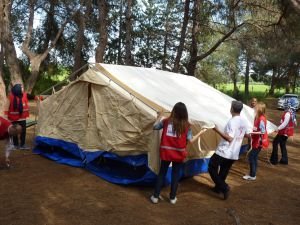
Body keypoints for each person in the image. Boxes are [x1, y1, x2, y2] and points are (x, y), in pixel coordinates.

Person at [150, 102, 205, 204]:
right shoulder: (187, 125)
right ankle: (172, 198)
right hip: (179, 154)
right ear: (185, 113)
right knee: (175, 175)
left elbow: (155, 127)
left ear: (174, 110)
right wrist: (201, 132)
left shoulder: (166, 121)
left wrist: (159, 117)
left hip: (166, 152)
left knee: (162, 173)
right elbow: (191, 140)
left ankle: (155, 197)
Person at [208, 101, 250, 200]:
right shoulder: (244, 121)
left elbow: (229, 138)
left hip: (224, 151)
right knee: (223, 171)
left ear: (231, 109)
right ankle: (218, 188)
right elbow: (246, 134)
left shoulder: (232, 121)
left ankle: (224, 187)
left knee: (211, 167)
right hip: (234, 152)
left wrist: (216, 129)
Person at [243, 102, 269, 181]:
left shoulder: (261, 119)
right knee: (254, 157)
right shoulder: (258, 117)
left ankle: (252, 175)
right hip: (256, 141)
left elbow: (262, 131)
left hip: (258, 143)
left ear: (260, 109)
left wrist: (251, 133)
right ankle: (253, 174)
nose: (255, 108)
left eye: (256, 107)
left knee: (251, 157)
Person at [270, 98, 297, 165]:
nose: (285, 104)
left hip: (284, 132)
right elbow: (295, 123)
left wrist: (278, 128)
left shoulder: (288, 113)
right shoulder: (292, 113)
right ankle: (284, 160)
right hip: (287, 133)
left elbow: (284, 123)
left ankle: (274, 160)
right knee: (282, 145)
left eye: (286, 103)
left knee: (275, 143)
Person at [7, 84, 30, 150]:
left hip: (22, 118)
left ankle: (22, 145)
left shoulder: (25, 95)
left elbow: (32, 96)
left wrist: (38, 98)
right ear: (18, 89)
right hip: (13, 118)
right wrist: (6, 117)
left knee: (23, 132)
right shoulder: (10, 97)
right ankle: (15, 145)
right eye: (21, 87)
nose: (23, 89)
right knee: (15, 132)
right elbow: (6, 106)